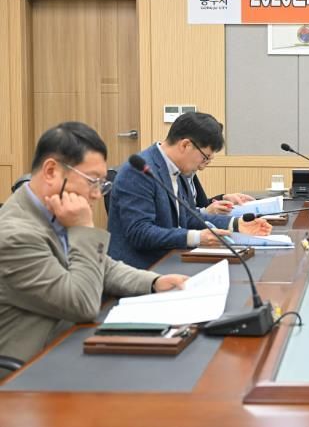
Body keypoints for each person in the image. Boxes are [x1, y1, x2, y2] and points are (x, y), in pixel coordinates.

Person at [0, 122, 189, 366]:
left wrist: (153, 282)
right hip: (31, 367)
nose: (98, 194)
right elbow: (82, 304)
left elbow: (102, 266)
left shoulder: (52, 209)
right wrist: (83, 229)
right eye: (92, 181)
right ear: (51, 171)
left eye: (102, 184)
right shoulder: (15, 235)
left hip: (69, 339)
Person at [107, 112, 272, 269]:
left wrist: (236, 224)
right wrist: (196, 237)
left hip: (173, 259)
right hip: (144, 269)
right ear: (185, 145)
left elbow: (188, 217)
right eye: (204, 157)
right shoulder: (140, 171)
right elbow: (140, 233)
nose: (202, 166)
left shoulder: (177, 168)